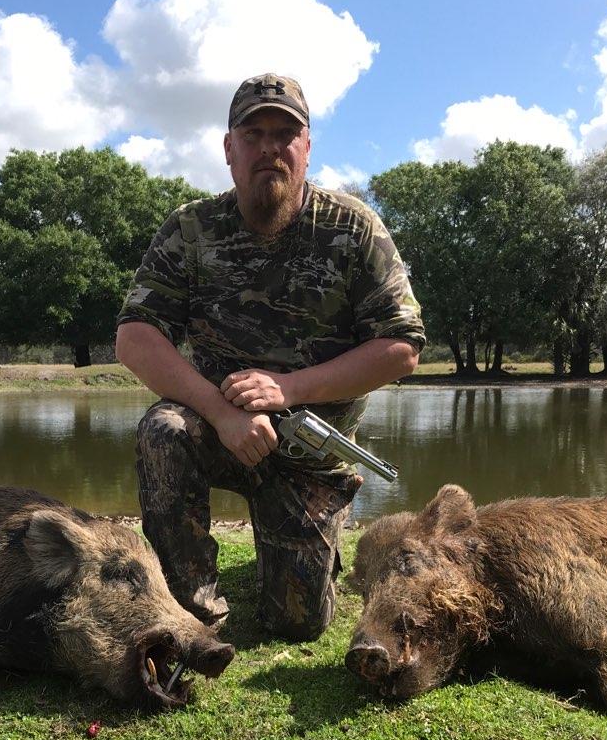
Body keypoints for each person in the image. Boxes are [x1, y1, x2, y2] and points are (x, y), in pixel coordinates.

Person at [115, 72, 425, 642]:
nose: (269, 148)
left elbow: (400, 348)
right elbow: (135, 336)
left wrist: (289, 388)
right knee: (164, 430)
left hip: (308, 448)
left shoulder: (354, 227)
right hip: (220, 428)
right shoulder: (190, 229)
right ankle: (191, 611)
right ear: (229, 148)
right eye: (253, 133)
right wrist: (222, 411)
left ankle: (320, 522)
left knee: (298, 624)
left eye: (285, 134)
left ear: (306, 148)